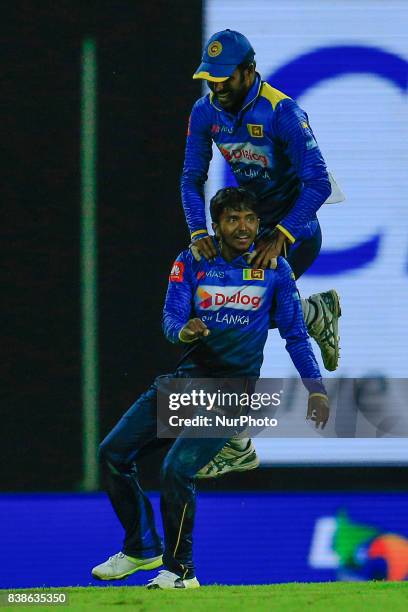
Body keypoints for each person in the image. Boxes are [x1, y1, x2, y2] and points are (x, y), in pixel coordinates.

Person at [91, 187, 329, 589]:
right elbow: (170, 319)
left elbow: (296, 335)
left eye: (251, 218)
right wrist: (184, 331)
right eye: (233, 219)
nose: (244, 227)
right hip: (187, 382)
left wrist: (316, 388)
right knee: (113, 454)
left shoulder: (275, 269)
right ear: (216, 225)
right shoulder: (192, 260)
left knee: (177, 468)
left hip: (232, 392)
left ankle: (181, 571)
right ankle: (140, 548)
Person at [181, 29, 341, 372]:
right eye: (210, 78)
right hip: (251, 230)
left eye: (224, 78)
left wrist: (282, 234)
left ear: (249, 71)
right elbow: (191, 178)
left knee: (244, 310)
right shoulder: (204, 112)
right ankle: (315, 312)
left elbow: (318, 183)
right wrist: (198, 233)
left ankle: (238, 417)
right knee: (210, 311)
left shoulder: (282, 112)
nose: (217, 87)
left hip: (297, 230)